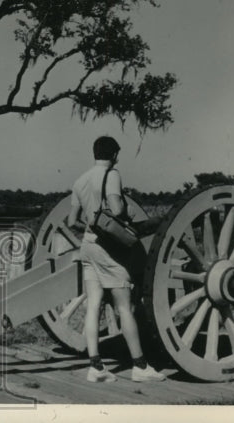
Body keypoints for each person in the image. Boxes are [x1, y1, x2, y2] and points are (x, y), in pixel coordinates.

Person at [64, 136, 166, 383]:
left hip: (88, 245)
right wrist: (121, 212)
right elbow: (116, 209)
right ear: (115, 155)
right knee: (124, 306)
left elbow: (71, 221)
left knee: (93, 305)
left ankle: (96, 367)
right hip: (109, 249)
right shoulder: (112, 174)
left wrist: (92, 224)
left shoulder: (80, 181)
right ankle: (140, 366)